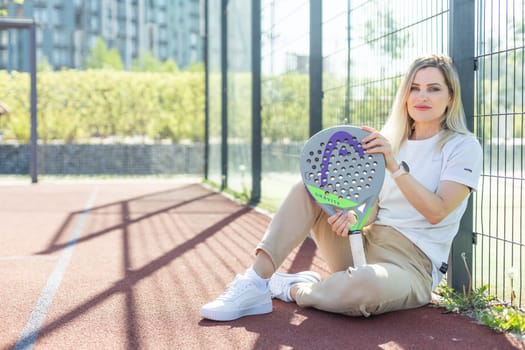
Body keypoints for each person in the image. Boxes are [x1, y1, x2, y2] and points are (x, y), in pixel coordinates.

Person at [200, 54, 483, 321]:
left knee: (365, 288)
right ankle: (256, 282)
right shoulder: (390, 141)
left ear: (450, 97)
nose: (422, 96)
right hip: (365, 243)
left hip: (412, 265)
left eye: (433, 89)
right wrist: (353, 219)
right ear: (405, 96)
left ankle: (295, 289)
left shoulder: (462, 146)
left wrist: (395, 167)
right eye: (415, 88)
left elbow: (438, 212)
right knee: (309, 189)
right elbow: (374, 210)